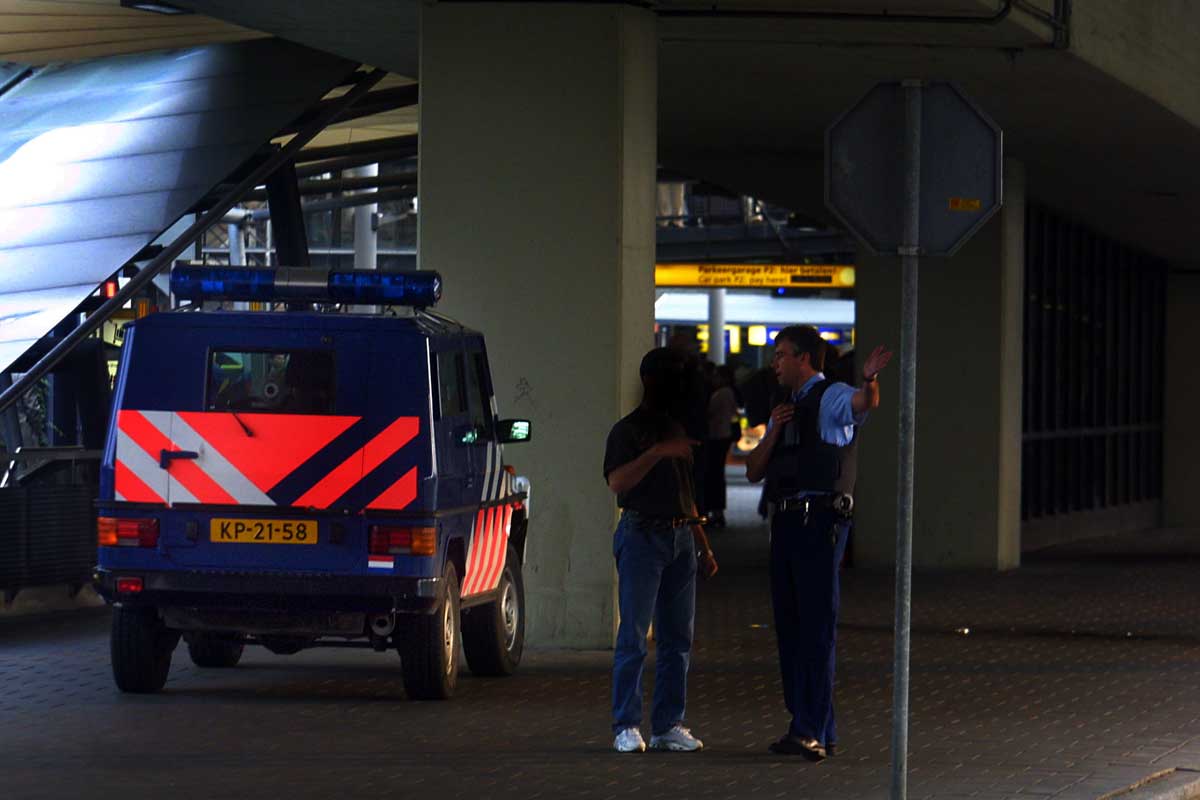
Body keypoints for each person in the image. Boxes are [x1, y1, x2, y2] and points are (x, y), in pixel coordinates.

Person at [745, 325, 892, 761]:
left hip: (818, 523)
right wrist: (772, 431)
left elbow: (863, 404)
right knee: (792, 627)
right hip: (787, 522)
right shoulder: (785, 407)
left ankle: (808, 727)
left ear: (805, 358)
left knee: (815, 628)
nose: (775, 362)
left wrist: (869, 380)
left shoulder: (829, 397)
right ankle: (814, 729)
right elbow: (754, 470)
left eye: (782, 354)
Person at [603, 347, 719, 754]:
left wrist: (702, 545)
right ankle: (626, 724)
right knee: (634, 634)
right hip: (641, 535)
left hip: (680, 538)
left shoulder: (675, 427)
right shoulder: (628, 431)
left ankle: (668, 723)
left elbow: (685, 495)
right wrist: (654, 454)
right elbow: (618, 483)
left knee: (677, 638)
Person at [702, 364, 740, 527]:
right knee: (717, 474)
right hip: (724, 435)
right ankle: (717, 511)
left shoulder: (721, 394)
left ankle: (715, 511)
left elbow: (709, 413)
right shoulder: (730, 393)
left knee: (714, 473)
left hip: (716, 436)